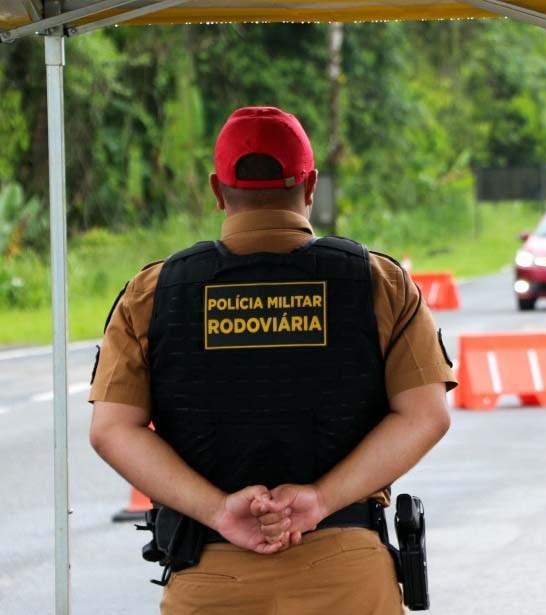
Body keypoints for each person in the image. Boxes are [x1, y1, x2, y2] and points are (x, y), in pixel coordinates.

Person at [89, 106, 455, 614]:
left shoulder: (154, 293)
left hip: (211, 580)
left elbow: (112, 429)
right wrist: (321, 500)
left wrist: (218, 511)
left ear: (218, 190)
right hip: (348, 579)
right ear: (309, 186)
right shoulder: (379, 282)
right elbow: (425, 414)